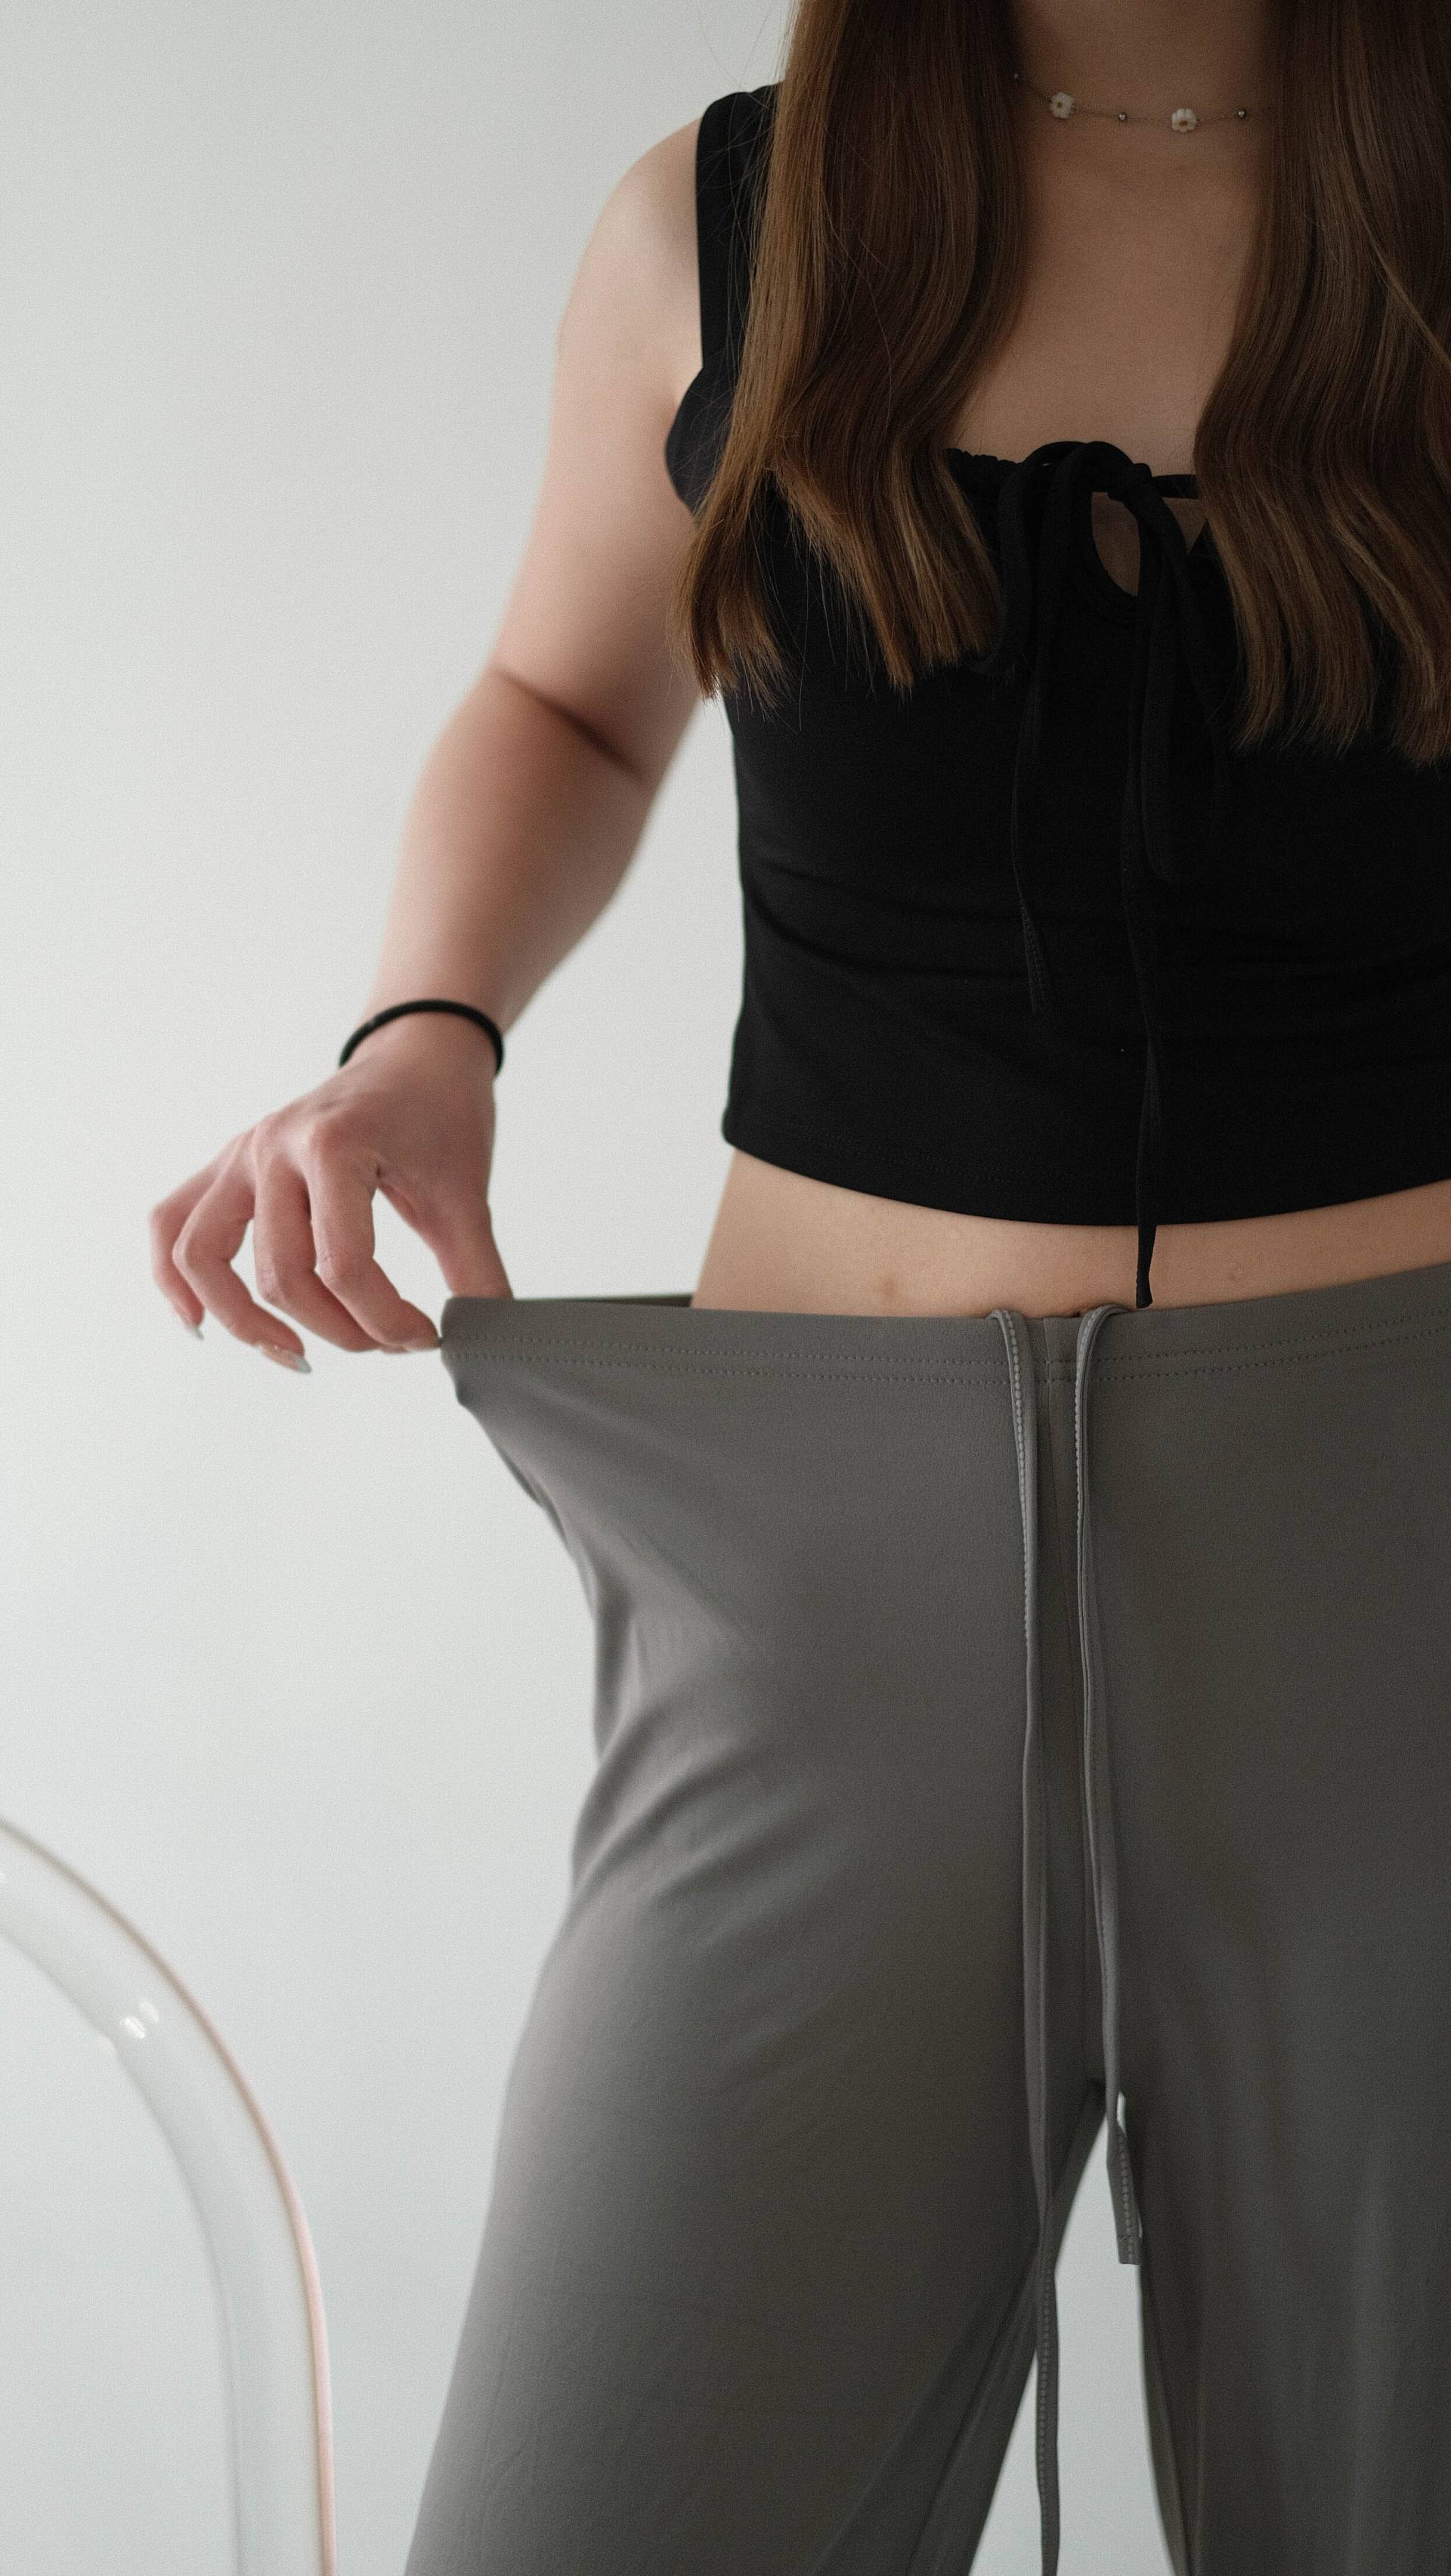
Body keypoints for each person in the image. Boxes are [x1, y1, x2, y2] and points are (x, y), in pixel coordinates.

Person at [150, 2, 1451, 2568]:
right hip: (820, 1613)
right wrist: (425, 1038)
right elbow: (564, 695)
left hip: (1397, 1582)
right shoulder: (729, 222)